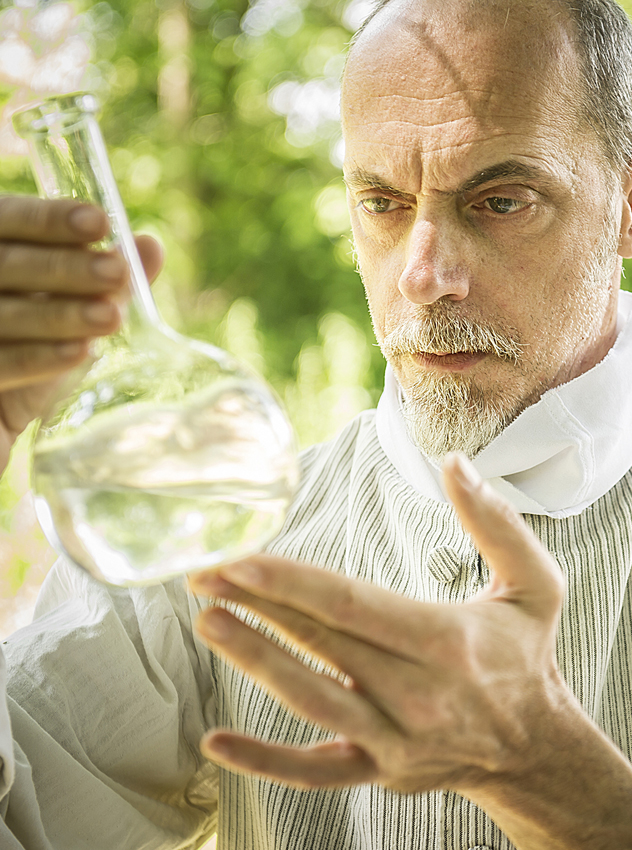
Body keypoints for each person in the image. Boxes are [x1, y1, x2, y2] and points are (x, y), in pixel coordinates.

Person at [0, 0, 632, 846]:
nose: (423, 276)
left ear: (625, 205)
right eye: (382, 202)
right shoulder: (209, 530)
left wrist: (560, 784)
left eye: (501, 201)